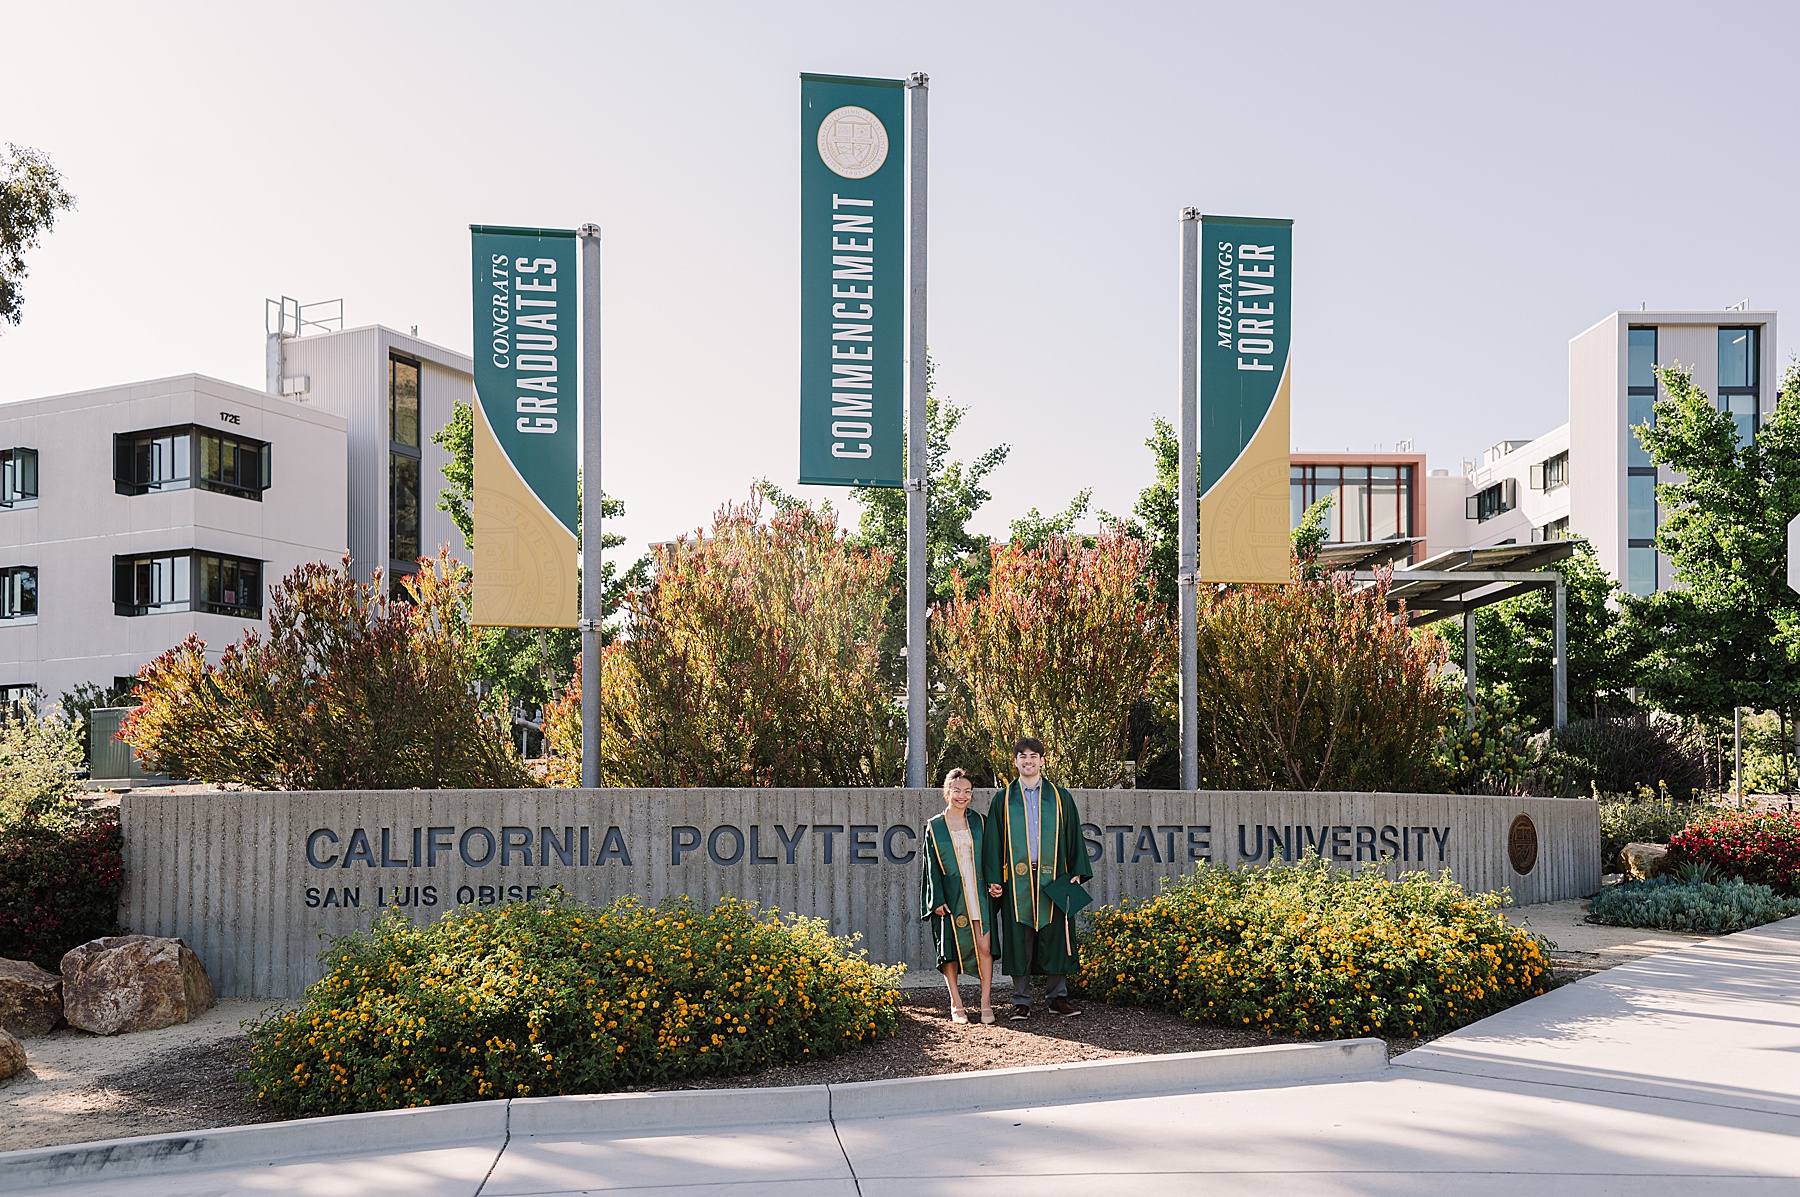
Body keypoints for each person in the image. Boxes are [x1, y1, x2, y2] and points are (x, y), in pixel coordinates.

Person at [982, 736, 1092, 1020]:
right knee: (1019, 938)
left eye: (1033, 756)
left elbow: (1073, 836)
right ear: (1015, 761)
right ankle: (1021, 1000)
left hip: (1054, 876)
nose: (1028, 761)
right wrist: (994, 878)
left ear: (1042, 760)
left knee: (1057, 935)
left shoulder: (1059, 796)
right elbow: (993, 841)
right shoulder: (1003, 799)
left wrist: (1077, 872)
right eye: (1022, 756)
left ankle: (1057, 997)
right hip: (1016, 881)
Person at [921, 767, 996, 1024]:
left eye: (967, 792)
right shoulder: (935, 826)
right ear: (947, 792)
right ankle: (956, 1002)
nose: (962, 796)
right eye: (956, 791)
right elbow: (930, 867)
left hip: (978, 893)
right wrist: (936, 899)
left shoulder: (980, 822)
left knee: (985, 948)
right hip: (951, 896)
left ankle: (986, 1001)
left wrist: (996, 883)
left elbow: (991, 858)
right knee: (950, 950)